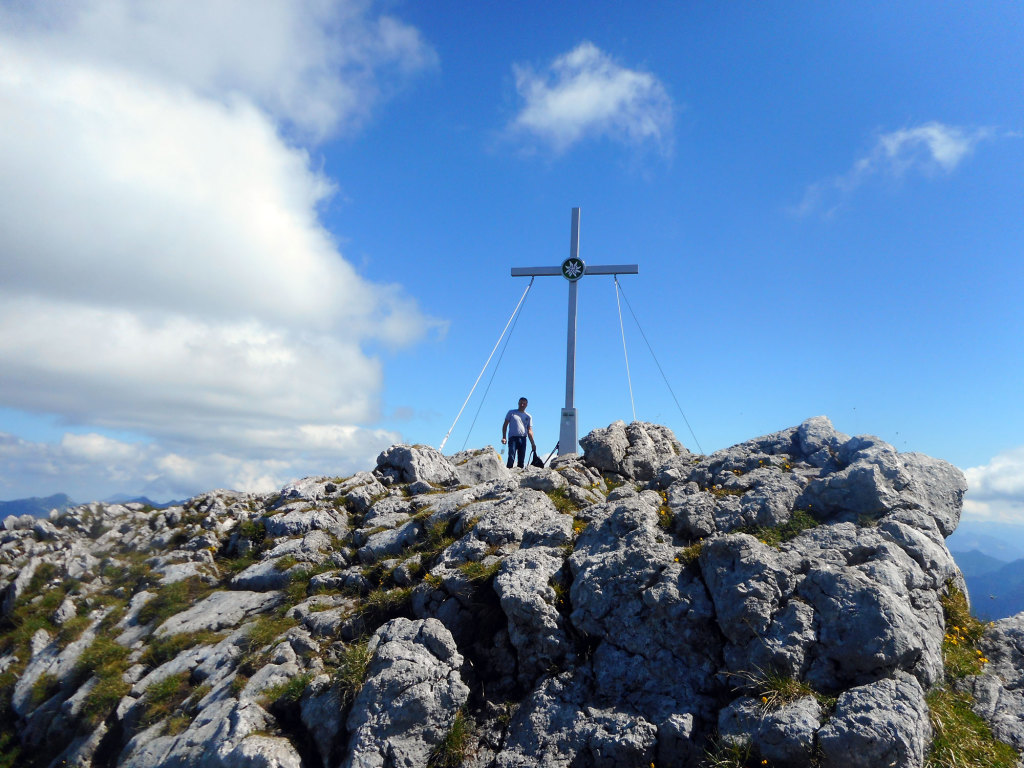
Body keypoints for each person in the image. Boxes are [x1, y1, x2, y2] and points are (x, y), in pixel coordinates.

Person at [501, 397, 536, 469]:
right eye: (521, 403)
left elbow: (529, 430)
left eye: (524, 403)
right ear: (518, 403)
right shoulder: (511, 413)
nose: (522, 405)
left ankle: (519, 474)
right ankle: (508, 472)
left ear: (526, 405)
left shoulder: (528, 416)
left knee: (521, 459)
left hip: (523, 438)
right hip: (513, 438)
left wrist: (533, 443)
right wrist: (504, 437)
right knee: (511, 456)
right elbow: (505, 425)